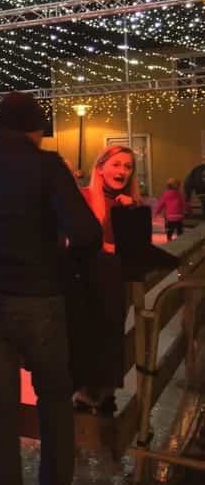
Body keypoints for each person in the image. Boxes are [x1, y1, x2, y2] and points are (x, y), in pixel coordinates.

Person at [0, 92, 101, 485]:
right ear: (37, 130)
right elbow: (86, 234)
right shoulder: (46, 166)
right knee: (54, 402)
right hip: (37, 299)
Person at [69, 145, 143, 416]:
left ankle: (105, 393)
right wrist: (106, 248)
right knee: (88, 337)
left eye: (127, 166)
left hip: (116, 283)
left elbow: (136, 248)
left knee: (112, 336)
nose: (122, 171)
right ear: (100, 168)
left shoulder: (132, 203)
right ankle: (85, 393)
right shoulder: (85, 198)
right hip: (86, 284)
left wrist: (130, 214)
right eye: (116, 164)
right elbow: (74, 239)